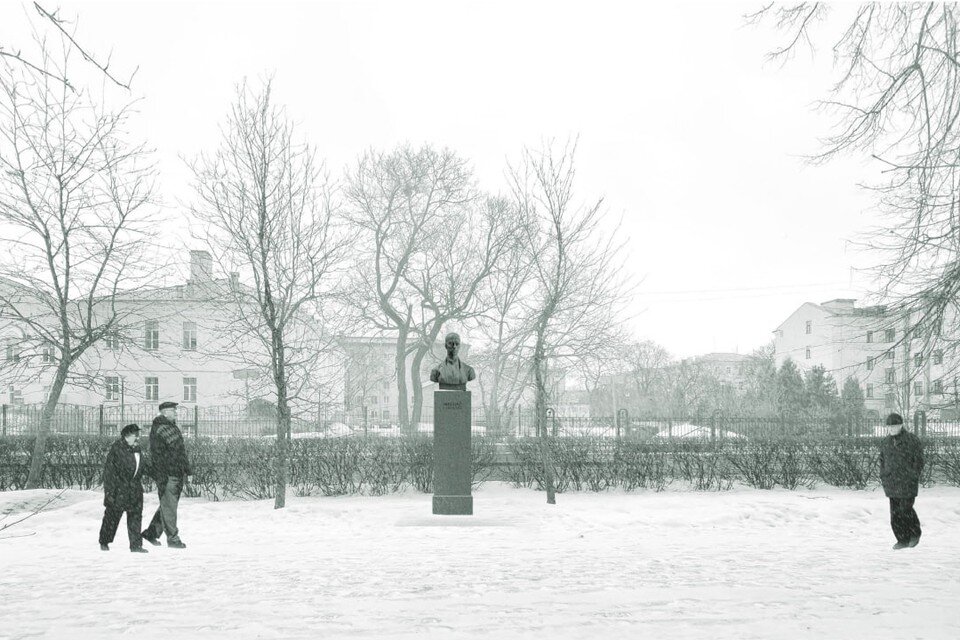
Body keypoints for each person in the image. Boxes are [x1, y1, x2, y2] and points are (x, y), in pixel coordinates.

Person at [142, 401, 191, 549]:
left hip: (175, 472)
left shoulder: (170, 427)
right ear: (164, 412)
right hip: (168, 474)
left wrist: (187, 470)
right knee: (169, 507)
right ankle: (173, 539)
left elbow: (180, 452)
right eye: (172, 410)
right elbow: (159, 456)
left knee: (167, 505)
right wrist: (162, 474)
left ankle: (151, 533)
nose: (175, 413)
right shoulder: (160, 429)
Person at [99, 423, 148, 553]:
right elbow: (109, 473)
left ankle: (136, 545)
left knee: (135, 517)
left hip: (135, 489)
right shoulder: (117, 450)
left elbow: (142, 467)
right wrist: (109, 493)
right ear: (126, 436)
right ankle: (104, 541)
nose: (138, 438)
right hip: (119, 489)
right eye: (135, 435)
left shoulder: (137, 449)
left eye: (138, 435)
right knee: (112, 517)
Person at [879, 412, 924, 550]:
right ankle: (902, 540)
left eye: (894, 426)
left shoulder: (911, 440)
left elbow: (919, 460)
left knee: (906, 510)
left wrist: (912, 474)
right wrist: (884, 475)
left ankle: (915, 534)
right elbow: (882, 461)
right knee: (895, 515)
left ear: (901, 425)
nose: (891, 429)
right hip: (892, 483)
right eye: (889, 426)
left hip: (907, 482)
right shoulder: (886, 442)